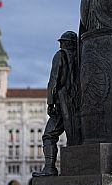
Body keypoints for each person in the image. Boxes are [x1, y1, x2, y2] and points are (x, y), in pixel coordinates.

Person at [32, 31, 80, 177]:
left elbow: (54, 80)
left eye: (62, 42)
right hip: (77, 101)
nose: (60, 45)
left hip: (62, 101)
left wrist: (50, 102)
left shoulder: (60, 56)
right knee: (75, 136)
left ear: (66, 43)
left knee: (49, 135)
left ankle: (49, 168)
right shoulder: (80, 57)